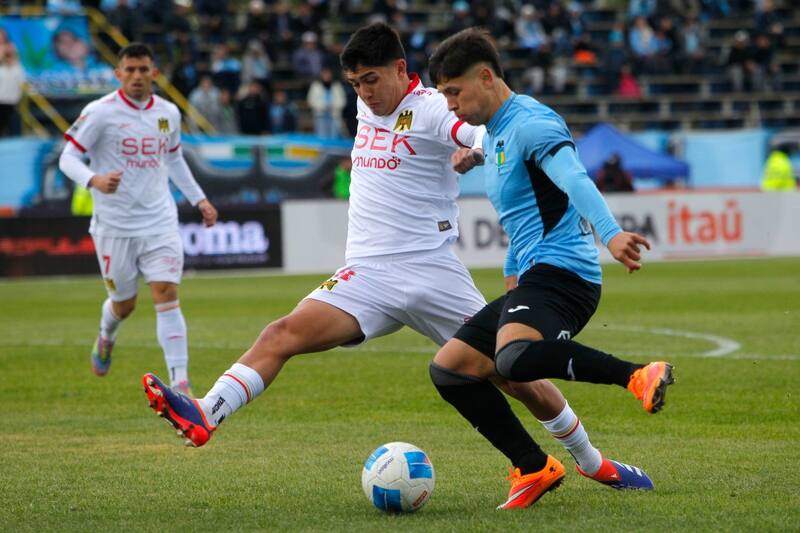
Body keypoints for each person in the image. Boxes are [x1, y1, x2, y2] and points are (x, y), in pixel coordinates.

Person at [142, 23, 653, 510]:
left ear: (401, 69)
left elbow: (477, 132)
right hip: (367, 274)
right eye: (354, 83)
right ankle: (206, 412)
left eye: (371, 79)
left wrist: (474, 151)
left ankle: (592, 462)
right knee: (282, 333)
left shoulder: (431, 107)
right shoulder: (366, 111)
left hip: (432, 271)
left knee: (512, 370)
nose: (364, 92)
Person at [428, 27, 674, 508]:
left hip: (568, 276)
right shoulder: (496, 132)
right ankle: (533, 466)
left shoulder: (534, 124)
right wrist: (475, 157)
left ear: (485, 77)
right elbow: (522, 210)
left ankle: (637, 375)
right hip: (535, 274)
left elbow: (573, 179)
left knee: (513, 360)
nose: (450, 105)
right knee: (450, 370)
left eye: (454, 92)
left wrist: (612, 232)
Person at [58, 43, 218, 394]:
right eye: (129, 70)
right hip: (114, 225)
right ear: (119, 74)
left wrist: (199, 199)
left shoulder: (168, 113)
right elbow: (67, 158)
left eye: (143, 69)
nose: (136, 76)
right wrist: (93, 180)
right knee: (124, 304)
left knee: (166, 291)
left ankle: (181, 384)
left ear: (154, 73)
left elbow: (174, 159)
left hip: (159, 220)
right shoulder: (100, 112)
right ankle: (106, 335)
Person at [0, 31, 24, 137]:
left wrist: (11, 57)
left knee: (13, 129)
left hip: (11, 101)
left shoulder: (16, 67)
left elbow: (21, 78)